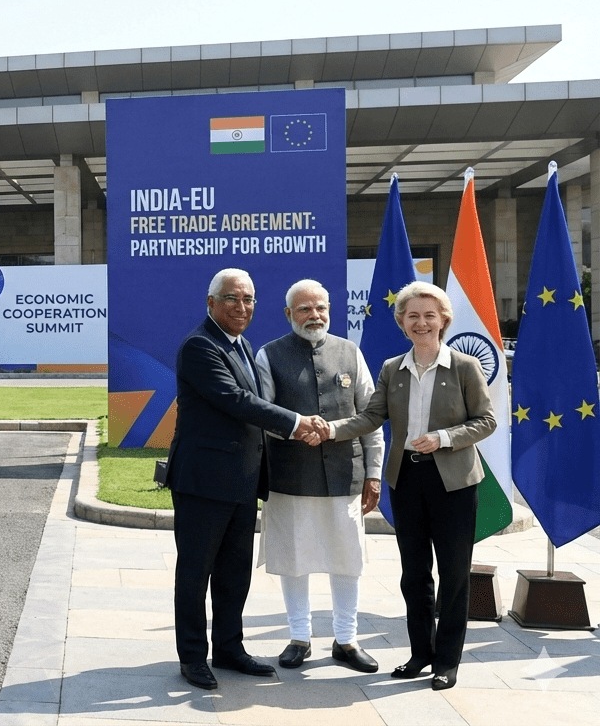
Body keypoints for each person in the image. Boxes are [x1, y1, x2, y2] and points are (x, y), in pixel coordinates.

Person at [322, 280, 495, 691]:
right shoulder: (390, 369)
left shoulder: (465, 367)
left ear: (444, 320)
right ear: (402, 322)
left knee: (454, 574)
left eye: (429, 315)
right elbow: (370, 417)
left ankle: (447, 662)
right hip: (408, 480)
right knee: (414, 573)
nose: (421, 322)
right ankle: (422, 653)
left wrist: (443, 438)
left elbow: (486, 421)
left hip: (453, 482)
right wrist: (329, 430)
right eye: (412, 315)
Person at [166, 267, 325, 691]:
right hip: (203, 482)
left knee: (235, 572)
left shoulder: (240, 344)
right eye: (234, 299)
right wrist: (295, 422)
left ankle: (229, 649)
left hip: (240, 481)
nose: (243, 307)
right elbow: (236, 401)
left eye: (249, 299)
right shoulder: (200, 346)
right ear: (211, 303)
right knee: (196, 573)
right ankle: (193, 658)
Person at [254, 279, 383, 674]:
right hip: (290, 477)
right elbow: (262, 413)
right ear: (288, 313)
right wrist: (297, 428)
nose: (315, 316)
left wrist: (374, 473)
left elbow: (371, 417)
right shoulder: (269, 355)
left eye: (320, 308)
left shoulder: (350, 352)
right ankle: (299, 637)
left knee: (348, 560)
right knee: (295, 559)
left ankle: (346, 640)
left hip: (346, 475)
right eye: (305, 309)